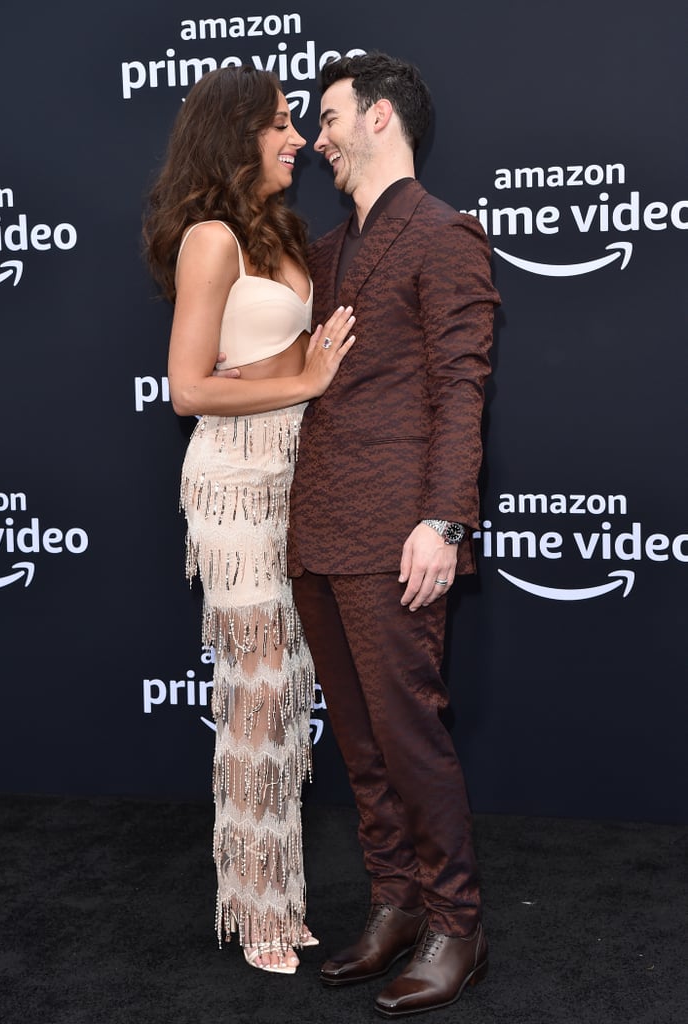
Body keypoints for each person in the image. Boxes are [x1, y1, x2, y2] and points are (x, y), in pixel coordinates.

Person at [287, 53, 501, 1016]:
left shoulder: (443, 233)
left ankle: (458, 924)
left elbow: (461, 387)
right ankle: (394, 904)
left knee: (410, 736)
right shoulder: (326, 251)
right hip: (317, 528)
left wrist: (442, 520)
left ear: (379, 119)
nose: (316, 137)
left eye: (328, 117)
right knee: (363, 745)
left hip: (397, 528)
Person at [142, 65, 356, 976]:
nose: (299, 139)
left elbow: (278, 363)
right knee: (255, 695)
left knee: (290, 692)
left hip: (296, 478)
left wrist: (289, 378)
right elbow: (188, 388)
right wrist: (301, 379)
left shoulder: (284, 232)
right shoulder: (207, 239)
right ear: (237, 133)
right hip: (233, 487)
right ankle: (255, 905)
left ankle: (286, 895)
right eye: (279, 124)